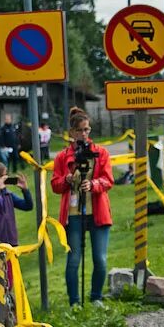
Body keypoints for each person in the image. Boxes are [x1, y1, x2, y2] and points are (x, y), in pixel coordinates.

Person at [51, 108, 114, 308]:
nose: (84, 134)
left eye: (87, 129)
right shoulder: (62, 157)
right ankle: (74, 302)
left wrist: (93, 185)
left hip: (98, 212)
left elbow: (108, 180)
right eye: (80, 130)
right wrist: (67, 180)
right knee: (73, 259)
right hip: (73, 213)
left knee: (100, 259)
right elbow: (55, 185)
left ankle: (96, 297)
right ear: (72, 132)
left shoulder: (101, 153)